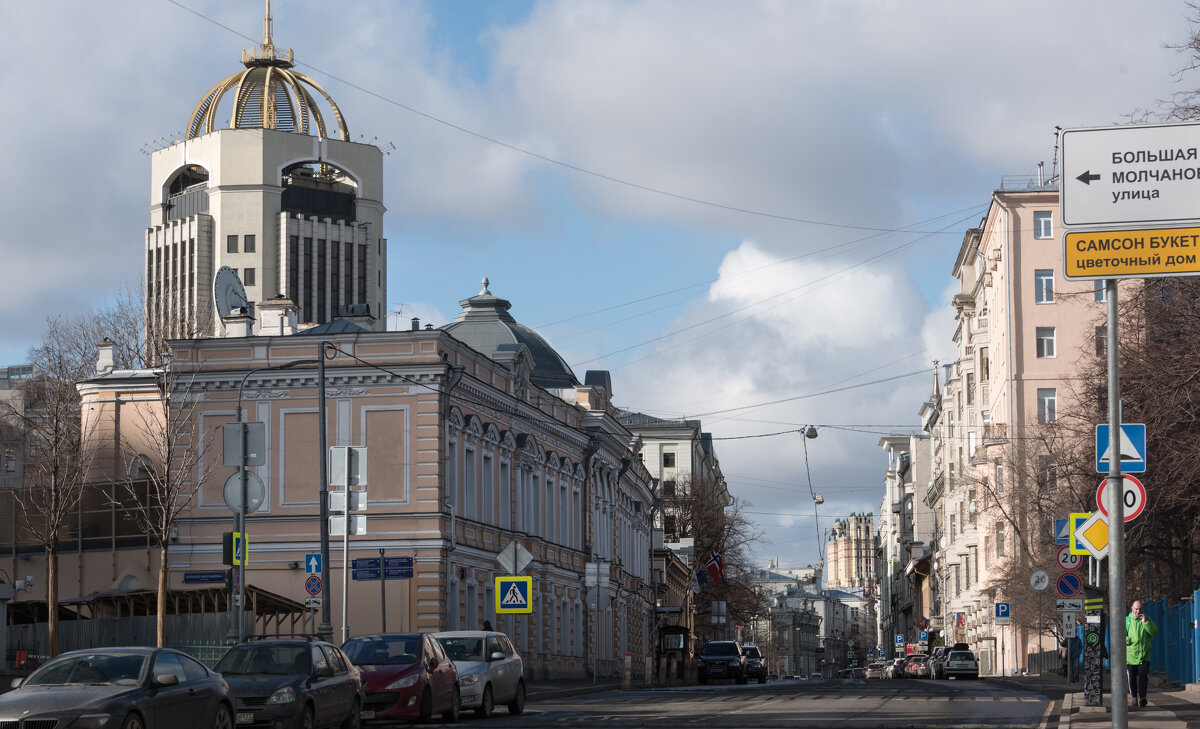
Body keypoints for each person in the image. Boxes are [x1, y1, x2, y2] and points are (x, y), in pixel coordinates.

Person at [1126, 600, 1158, 708]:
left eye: (1140, 609)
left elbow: (1154, 632)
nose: (1138, 611)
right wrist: (1128, 640)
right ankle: (1134, 697)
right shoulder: (1127, 621)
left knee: (1143, 676)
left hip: (1144, 654)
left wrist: (1145, 623)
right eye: (1136, 609)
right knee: (1132, 678)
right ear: (1132, 608)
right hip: (1131, 655)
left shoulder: (1147, 619)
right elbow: (1120, 635)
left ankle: (1143, 698)